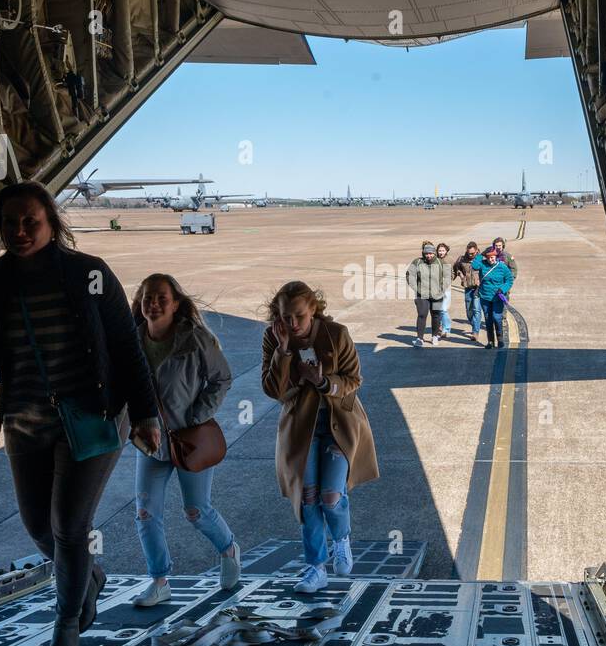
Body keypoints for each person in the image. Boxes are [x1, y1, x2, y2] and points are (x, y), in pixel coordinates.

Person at [0, 181, 159, 646]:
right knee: (38, 527)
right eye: (10, 223)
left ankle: (65, 629)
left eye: (30, 222)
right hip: (24, 420)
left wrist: (146, 415)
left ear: (51, 223)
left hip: (90, 417)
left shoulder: (89, 274)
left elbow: (128, 347)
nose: (19, 232)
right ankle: (90, 578)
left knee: (67, 525)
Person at [128, 274, 239, 608]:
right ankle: (159, 581)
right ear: (140, 302)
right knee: (146, 512)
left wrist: (197, 415)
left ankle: (229, 548)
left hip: (190, 439)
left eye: (162, 297)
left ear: (176, 304)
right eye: (148, 296)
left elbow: (222, 378)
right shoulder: (130, 341)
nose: (154, 303)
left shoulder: (195, 339)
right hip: (150, 442)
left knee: (196, 511)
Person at [261, 281, 379, 593]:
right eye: (286, 317)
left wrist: (324, 382)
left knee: (331, 495)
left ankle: (341, 538)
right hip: (301, 429)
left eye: (299, 316)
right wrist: (284, 351)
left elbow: (355, 379)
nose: (292, 324)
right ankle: (315, 567)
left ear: (314, 309)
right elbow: (273, 390)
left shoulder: (337, 334)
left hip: (339, 423)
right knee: (308, 499)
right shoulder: (274, 338)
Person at [405, 241, 452, 346]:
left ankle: (434, 336)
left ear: (434, 253)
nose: (429, 255)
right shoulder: (417, 262)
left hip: (437, 295)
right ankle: (419, 338)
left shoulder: (441, 262)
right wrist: (416, 288)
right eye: (427, 253)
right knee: (422, 315)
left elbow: (449, 275)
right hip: (422, 295)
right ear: (423, 253)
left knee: (436, 316)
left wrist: (442, 287)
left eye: (431, 253)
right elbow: (410, 275)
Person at [474, 244, 515, 348]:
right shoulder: (483, 264)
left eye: (492, 257)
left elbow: (509, 280)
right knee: (488, 319)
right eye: (488, 257)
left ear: (496, 257)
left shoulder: (502, 267)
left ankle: (500, 339)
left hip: (497, 297)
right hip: (485, 297)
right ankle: (490, 342)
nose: (490, 259)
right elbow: (474, 266)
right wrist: (480, 254)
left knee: (497, 318)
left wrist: (503, 288)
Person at [453, 241, 483, 341]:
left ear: (477, 251)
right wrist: (460, 275)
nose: (470, 255)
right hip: (467, 288)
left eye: (473, 253)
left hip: (478, 288)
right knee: (469, 311)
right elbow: (456, 269)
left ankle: (475, 332)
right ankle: (474, 324)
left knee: (476, 310)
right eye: (469, 253)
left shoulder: (481, 259)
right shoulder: (462, 259)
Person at [433, 243, 453, 337]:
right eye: (439, 250)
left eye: (443, 250)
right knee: (437, 309)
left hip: (445, 289)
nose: (441, 252)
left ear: (446, 251)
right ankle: (440, 327)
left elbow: (451, 275)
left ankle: (447, 329)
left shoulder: (449, 260)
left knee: (443, 309)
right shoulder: (435, 260)